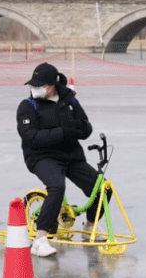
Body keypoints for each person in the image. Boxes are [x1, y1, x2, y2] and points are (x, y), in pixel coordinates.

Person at [16, 62, 96, 257]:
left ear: (51, 86)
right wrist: (62, 132)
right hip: (41, 156)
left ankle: (90, 226)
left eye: (39, 85)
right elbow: (30, 136)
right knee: (57, 186)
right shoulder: (28, 106)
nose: (35, 89)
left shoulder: (69, 101)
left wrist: (76, 129)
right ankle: (40, 238)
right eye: (33, 85)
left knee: (101, 187)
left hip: (71, 155)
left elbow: (86, 128)